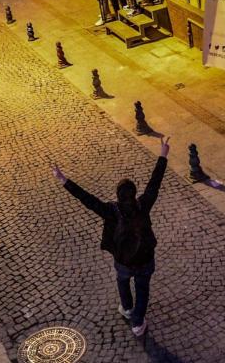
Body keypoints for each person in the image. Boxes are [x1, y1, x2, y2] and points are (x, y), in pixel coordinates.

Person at [52, 136, 170, 337]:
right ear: (134, 194)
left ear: (117, 195)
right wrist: (162, 155)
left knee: (122, 281)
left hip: (123, 259)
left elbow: (87, 199)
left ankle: (126, 308)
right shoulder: (144, 204)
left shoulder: (111, 211)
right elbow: (154, 183)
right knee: (143, 289)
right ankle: (137, 323)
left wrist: (64, 180)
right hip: (145, 258)